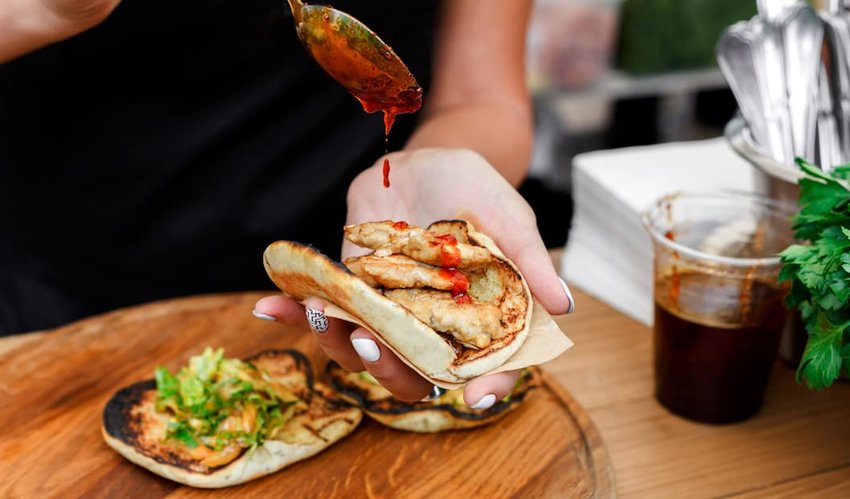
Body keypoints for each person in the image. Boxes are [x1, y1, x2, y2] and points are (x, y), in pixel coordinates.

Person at [0, 0, 573, 406]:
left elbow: (482, 95)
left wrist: (441, 170)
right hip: (66, 294)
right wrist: (38, 12)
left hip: (336, 283)